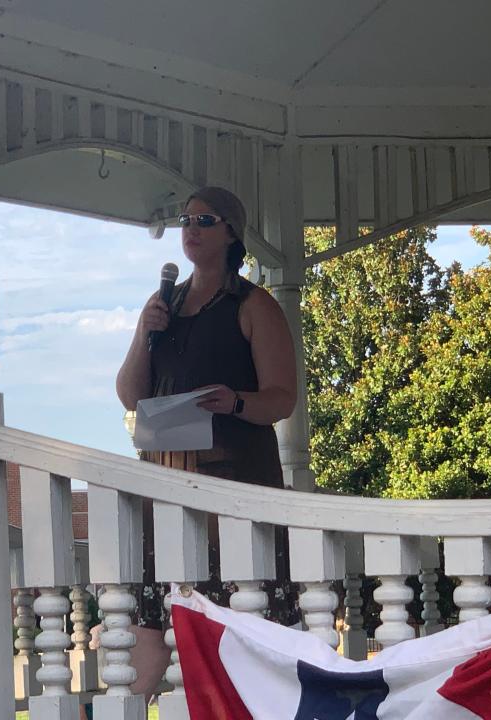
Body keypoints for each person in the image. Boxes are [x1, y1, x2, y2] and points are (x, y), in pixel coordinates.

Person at [109, 186, 299, 705]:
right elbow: (131, 394)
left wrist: (235, 402)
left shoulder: (253, 304)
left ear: (231, 232)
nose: (190, 228)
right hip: (169, 486)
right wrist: (142, 331)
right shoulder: (165, 305)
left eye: (204, 219)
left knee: (238, 625)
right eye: (184, 219)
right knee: (155, 617)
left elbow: (283, 398)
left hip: (236, 485)